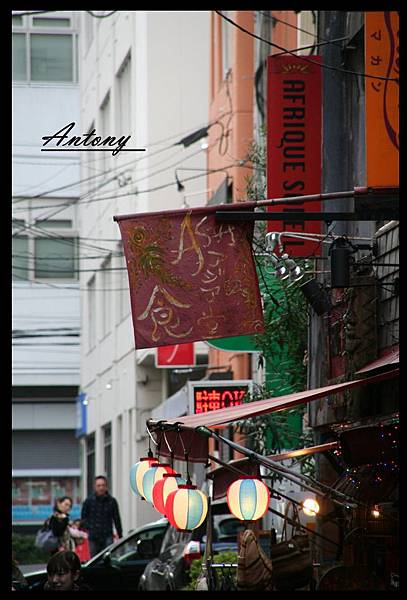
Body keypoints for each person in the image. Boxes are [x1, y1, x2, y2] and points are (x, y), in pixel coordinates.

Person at [81, 475, 123, 557]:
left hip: (107, 535)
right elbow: (84, 517)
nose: (101, 488)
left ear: (106, 487)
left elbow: (116, 518)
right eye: (99, 486)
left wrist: (120, 534)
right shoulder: (89, 501)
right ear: (95, 487)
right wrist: (89, 527)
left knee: (107, 557)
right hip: (93, 536)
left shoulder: (112, 501)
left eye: (103, 485)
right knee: (94, 559)